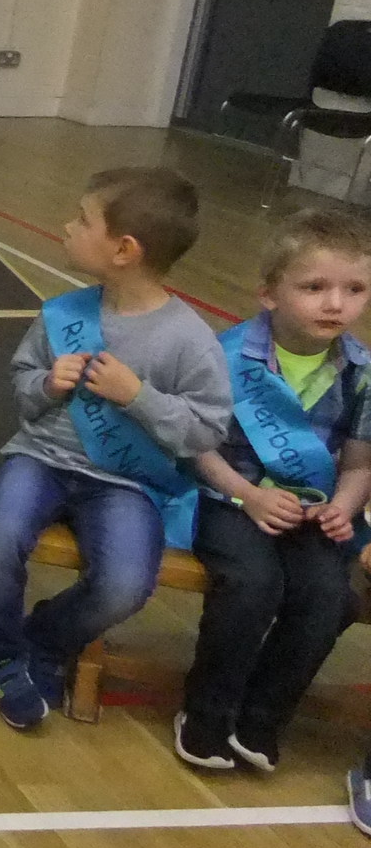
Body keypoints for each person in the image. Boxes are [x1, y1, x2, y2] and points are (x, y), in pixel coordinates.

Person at [0, 167, 231, 730]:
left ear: (124, 250)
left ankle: (44, 640)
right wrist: (45, 384)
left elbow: (207, 431)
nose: (68, 226)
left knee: (125, 585)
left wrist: (138, 397)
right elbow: (22, 389)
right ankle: (3, 657)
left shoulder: (189, 340)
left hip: (125, 482)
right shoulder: (63, 313)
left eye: (83, 220)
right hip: (41, 459)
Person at [178, 209, 371, 771]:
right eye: (314, 287)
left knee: (329, 597)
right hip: (229, 500)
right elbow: (195, 446)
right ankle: (205, 715)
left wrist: (343, 508)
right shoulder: (224, 356)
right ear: (268, 294)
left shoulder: (362, 372)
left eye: (354, 289)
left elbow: (360, 464)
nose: (335, 304)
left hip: (313, 512)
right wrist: (249, 495)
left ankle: (260, 719)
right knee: (250, 584)